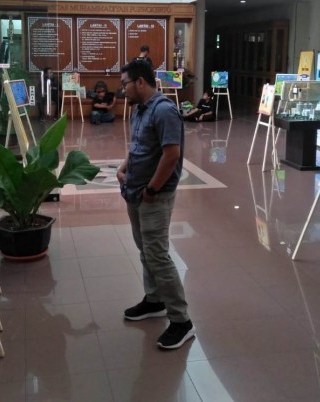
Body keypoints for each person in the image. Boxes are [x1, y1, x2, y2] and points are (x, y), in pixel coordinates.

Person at [117, 59, 195, 350]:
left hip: (154, 196)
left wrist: (152, 189)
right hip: (135, 192)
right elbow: (138, 145)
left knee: (158, 254)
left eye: (125, 84)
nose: (122, 89)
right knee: (145, 249)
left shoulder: (164, 111)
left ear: (140, 82)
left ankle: (181, 321)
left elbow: (171, 154)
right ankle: (154, 300)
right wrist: (124, 167)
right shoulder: (139, 109)